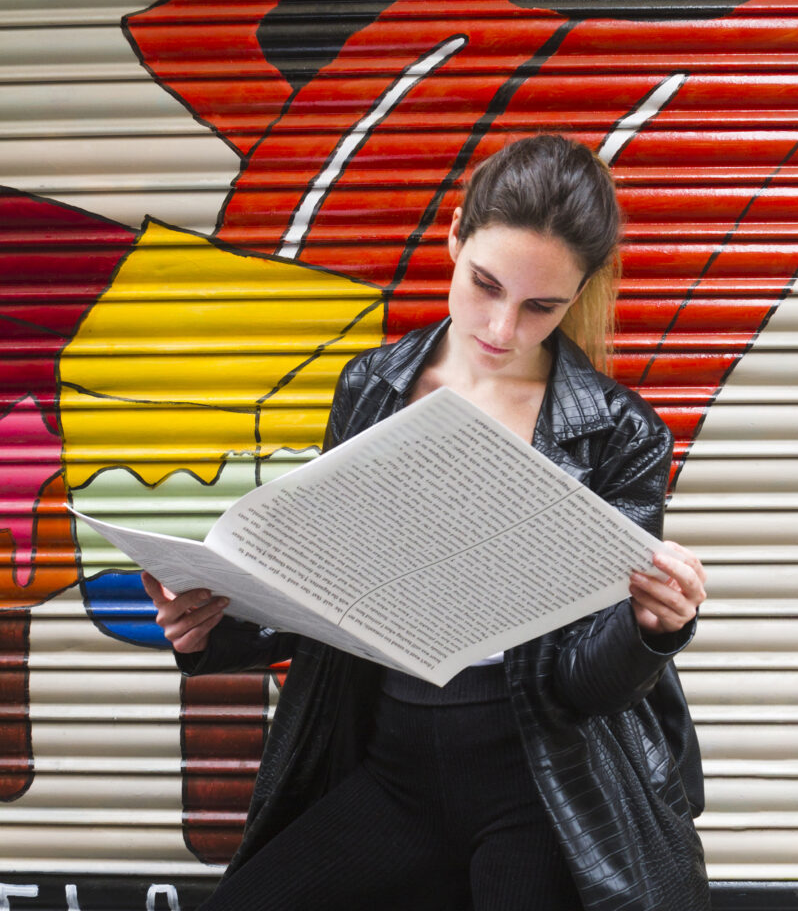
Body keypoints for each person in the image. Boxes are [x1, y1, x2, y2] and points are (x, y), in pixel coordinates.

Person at [142, 134, 710, 911]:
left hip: (539, 786)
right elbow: (332, 597)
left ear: (577, 297)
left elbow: (583, 685)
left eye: (541, 306)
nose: (503, 328)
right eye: (485, 285)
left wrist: (652, 629)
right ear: (453, 236)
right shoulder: (372, 386)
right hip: (390, 767)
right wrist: (216, 628)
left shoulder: (617, 432)